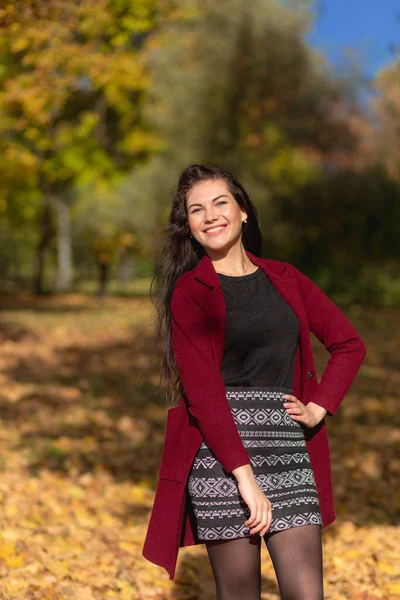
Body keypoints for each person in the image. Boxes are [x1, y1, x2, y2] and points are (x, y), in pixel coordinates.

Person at [142, 164, 366, 600]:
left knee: (307, 594)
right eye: (196, 210)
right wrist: (244, 477)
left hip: (288, 452)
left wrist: (319, 405)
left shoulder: (286, 279)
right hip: (222, 459)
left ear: (243, 211)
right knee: (241, 594)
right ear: (188, 227)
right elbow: (204, 395)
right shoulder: (190, 293)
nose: (210, 216)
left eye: (220, 202)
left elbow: (349, 343)